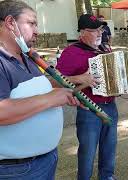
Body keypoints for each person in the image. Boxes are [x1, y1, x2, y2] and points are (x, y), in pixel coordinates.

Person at [0, 0, 80, 179]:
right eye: (31, 23)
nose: (37, 30)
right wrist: (51, 99)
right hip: (16, 170)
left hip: (45, 159)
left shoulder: (27, 57)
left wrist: (73, 85)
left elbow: (41, 85)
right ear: (10, 22)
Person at [56, 14, 118, 180]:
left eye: (100, 29)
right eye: (94, 30)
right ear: (82, 33)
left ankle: (107, 177)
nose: (99, 33)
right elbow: (55, 80)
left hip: (111, 106)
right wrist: (79, 79)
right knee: (88, 151)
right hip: (88, 109)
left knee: (109, 147)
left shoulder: (106, 49)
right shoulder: (71, 52)